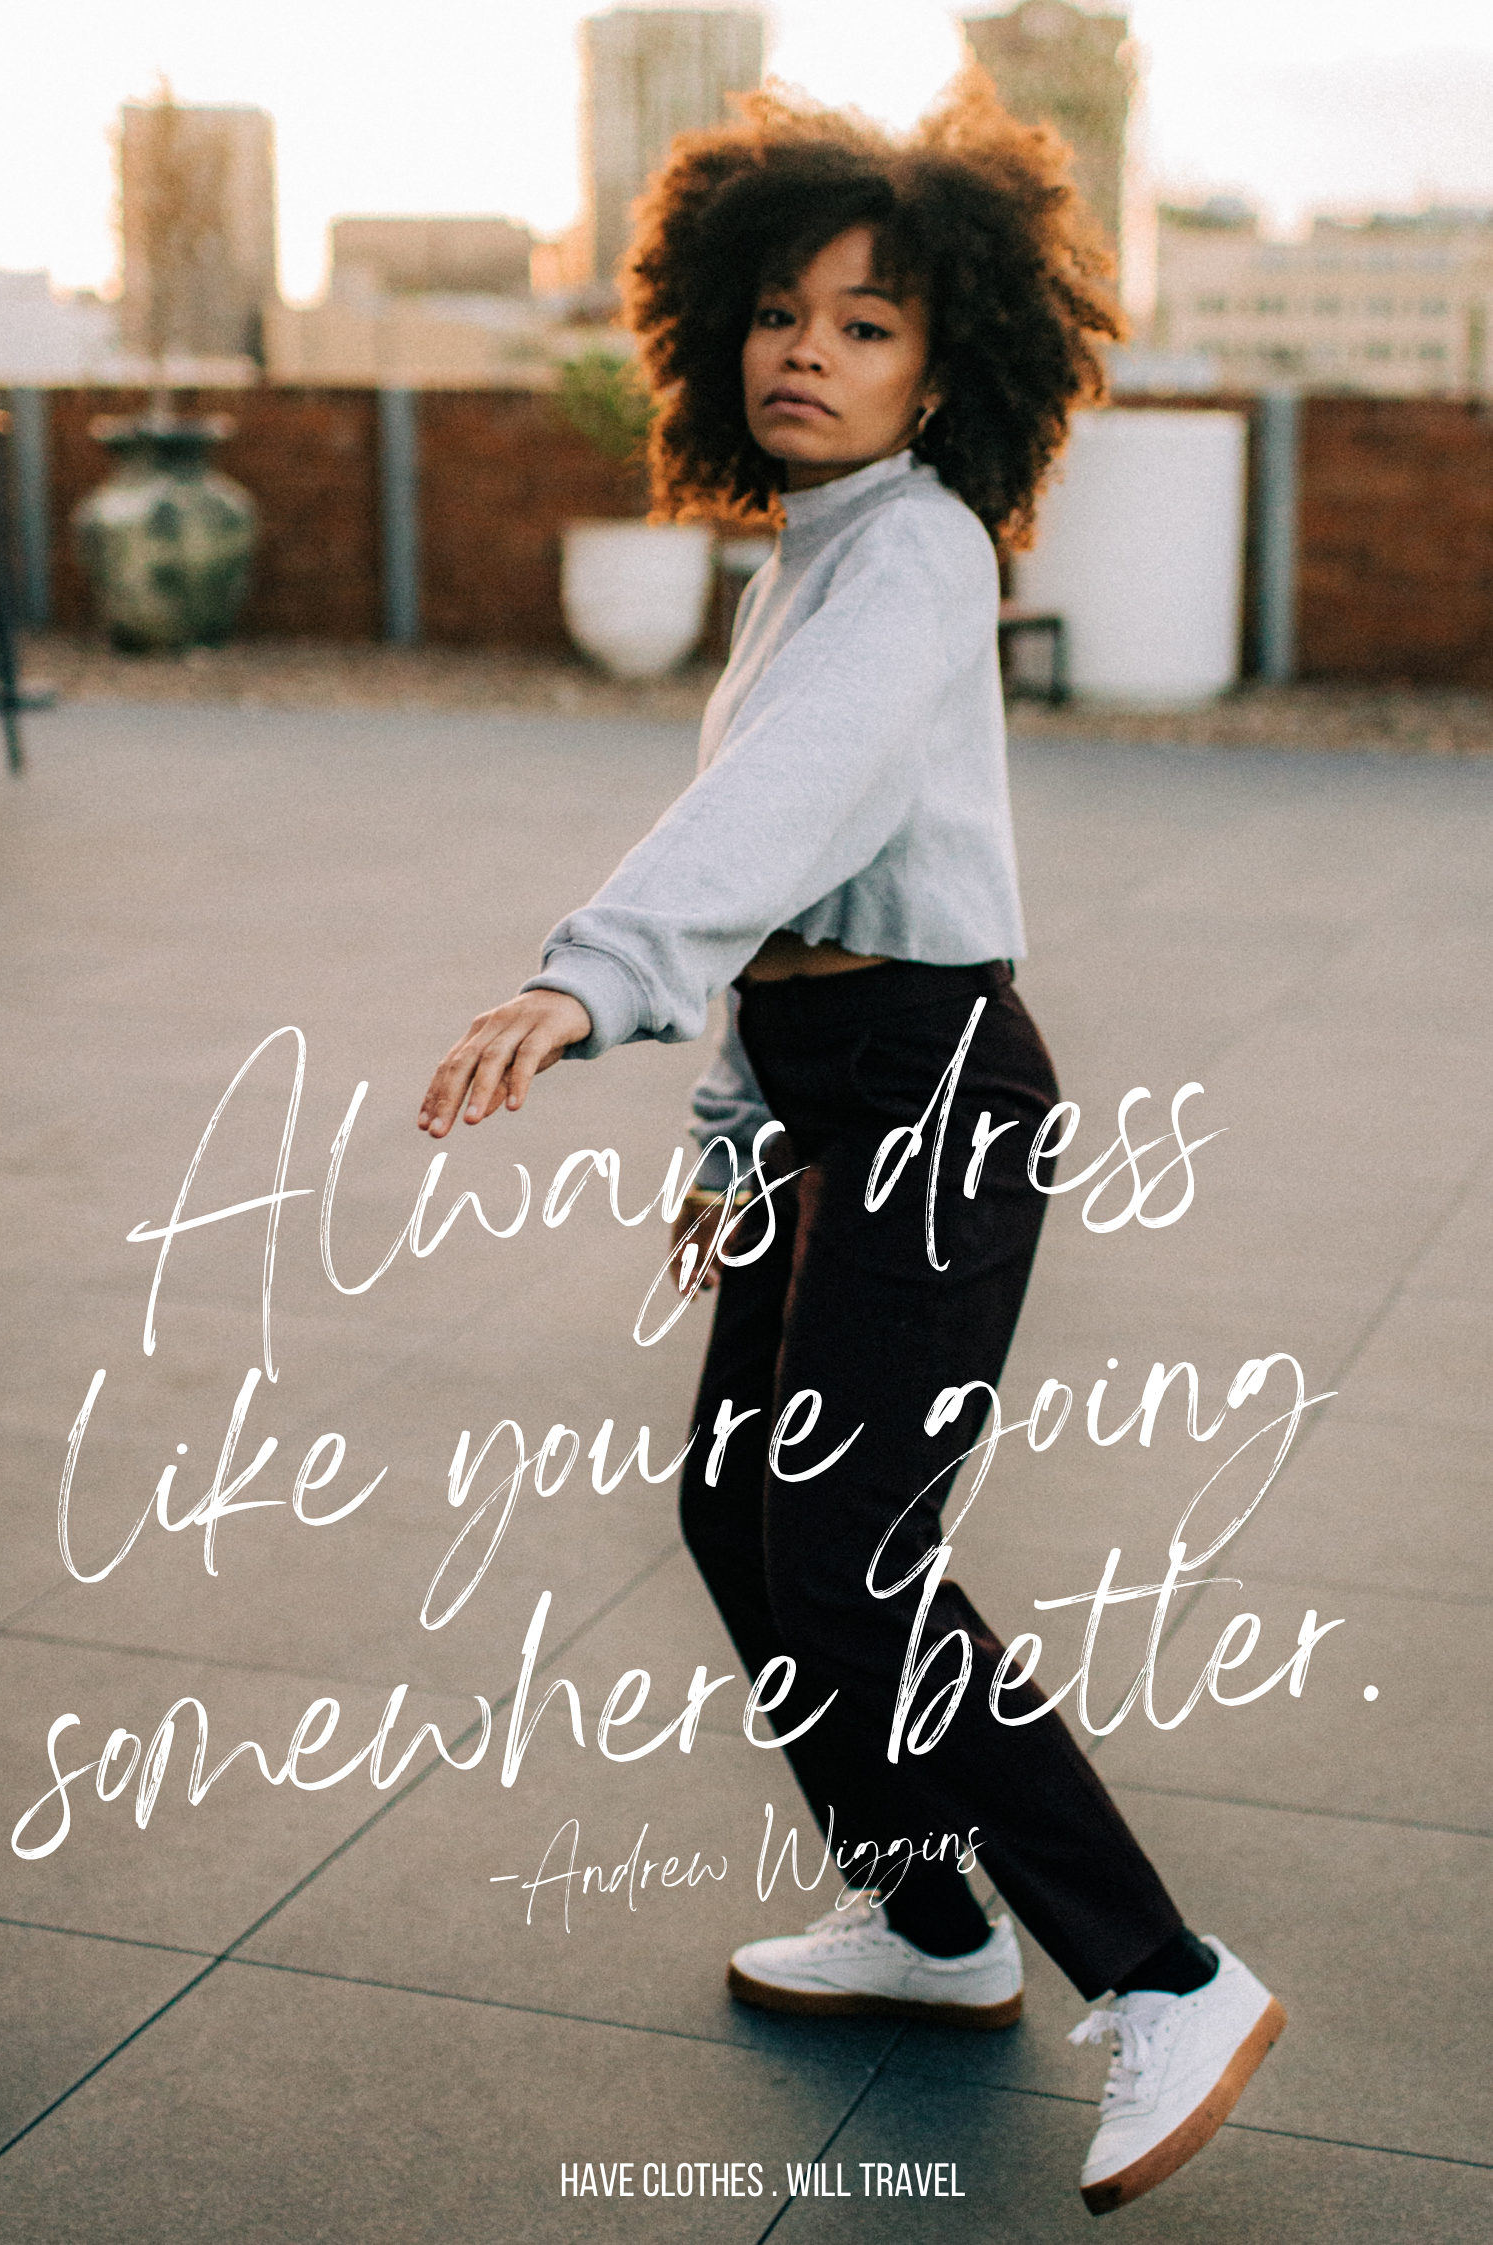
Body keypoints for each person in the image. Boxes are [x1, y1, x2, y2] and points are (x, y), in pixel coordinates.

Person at [418, 76, 1284, 2219]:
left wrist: (587, 974)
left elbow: (783, 816)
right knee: (742, 1514)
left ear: (952, 361)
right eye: (781, 313)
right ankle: (925, 1926)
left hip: (928, 1097)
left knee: (850, 1566)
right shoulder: (817, 552)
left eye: (868, 323)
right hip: (829, 1097)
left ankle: (1164, 1977)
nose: (805, 350)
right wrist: (731, 1122)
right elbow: (808, 891)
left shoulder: (904, 555)